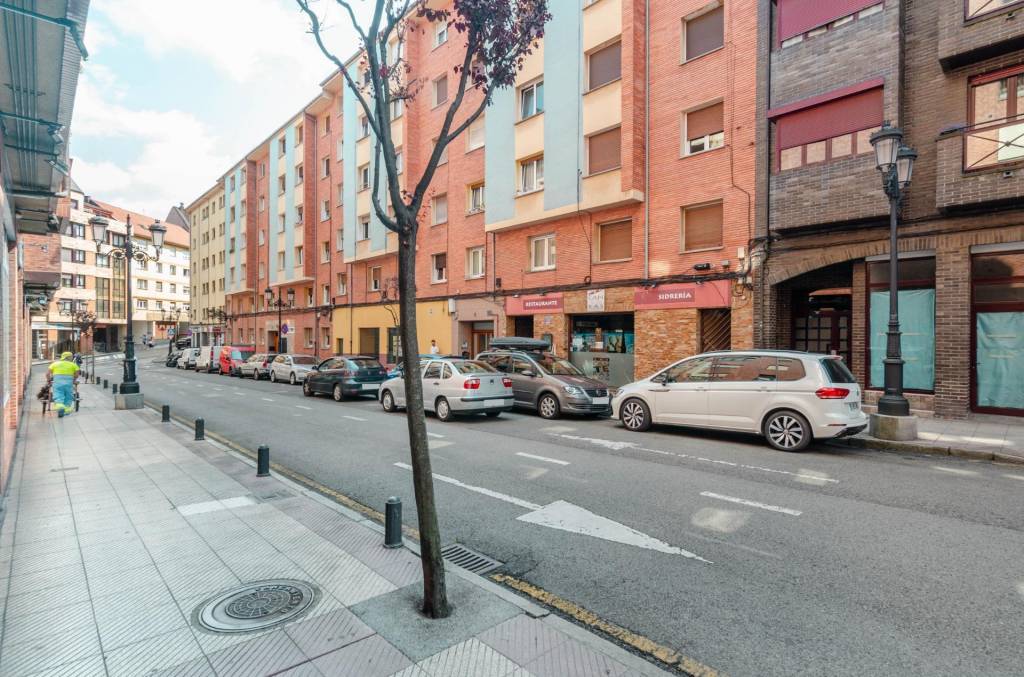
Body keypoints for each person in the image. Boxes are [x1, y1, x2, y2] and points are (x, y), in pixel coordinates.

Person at [47, 351, 80, 418]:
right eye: (71, 357)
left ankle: (60, 406)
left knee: (58, 394)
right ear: (69, 357)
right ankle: (66, 409)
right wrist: (74, 380)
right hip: (68, 384)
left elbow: (47, 374)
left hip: (57, 383)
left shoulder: (55, 364)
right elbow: (76, 375)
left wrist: (49, 380)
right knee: (68, 396)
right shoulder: (73, 365)